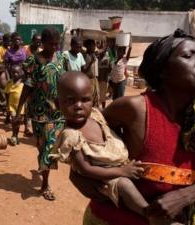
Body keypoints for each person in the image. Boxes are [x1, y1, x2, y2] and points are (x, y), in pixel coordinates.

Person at [69, 29, 195, 225]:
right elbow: (85, 137)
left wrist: (184, 196)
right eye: (188, 55)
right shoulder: (134, 109)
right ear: (163, 69)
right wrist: (81, 173)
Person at [51, 71, 179, 225]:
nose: (78, 106)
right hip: (106, 175)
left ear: (93, 100)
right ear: (58, 104)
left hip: (120, 164)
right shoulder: (71, 135)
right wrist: (122, 172)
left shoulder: (96, 116)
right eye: (70, 101)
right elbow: (85, 169)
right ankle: (150, 214)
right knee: (124, 185)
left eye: (85, 100)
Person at [15, 27, 67, 201]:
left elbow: (66, 82)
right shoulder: (34, 60)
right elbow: (28, 86)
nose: (55, 47)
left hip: (58, 112)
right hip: (39, 112)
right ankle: (43, 172)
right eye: (51, 44)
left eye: (57, 43)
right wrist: (18, 111)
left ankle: (45, 183)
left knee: (50, 147)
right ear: (43, 43)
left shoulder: (61, 58)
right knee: (42, 147)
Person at [5, 65, 30, 145]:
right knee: (14, 121)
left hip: (21, 107)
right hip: (12, 106)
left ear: (21, 73)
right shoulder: (9, 83)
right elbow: (7, 94)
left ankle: (15, 135)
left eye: (17, 72)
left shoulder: (24, 85)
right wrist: (7, 105)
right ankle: (14, 135)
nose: (15, 74)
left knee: (18, 122)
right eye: (13, 73)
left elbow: (26, 97)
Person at [82, 39, 100, 107]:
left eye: (94, 45)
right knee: (89, 99)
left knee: (96, 99)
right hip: (88, 80)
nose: (94, 47)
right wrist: (91, 62)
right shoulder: (85, 56)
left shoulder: (93, 55)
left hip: (94, 79)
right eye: (92, 46)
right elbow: (83, 70)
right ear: (87, 46)